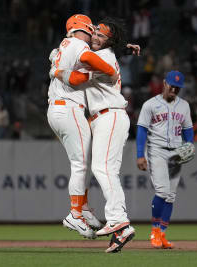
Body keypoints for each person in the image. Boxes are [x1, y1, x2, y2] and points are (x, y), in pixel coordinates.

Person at [52, 18, 139, 253]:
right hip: (105, 117)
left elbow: (74, 76)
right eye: (96, 32)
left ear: (110, 41)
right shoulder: (105, 53)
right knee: (104, 169)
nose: (96, 37)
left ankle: (118, 219)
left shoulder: (102, 58)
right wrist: (124, 46)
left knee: (103, 169)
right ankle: (121, 229)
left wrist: (56, 69)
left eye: (102, 35)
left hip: (109, 115)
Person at [47, 14, 119, 239]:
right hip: (68, 108)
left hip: (59, 108)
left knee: (85, 161)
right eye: (91, 29)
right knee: (80, 163)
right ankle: (75, 213)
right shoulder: (77, 44)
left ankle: (83, 207)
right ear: (84, 27)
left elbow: (75, 72)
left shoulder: (64, 46)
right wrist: (108, 69)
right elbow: (88, 60)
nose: (93, 33)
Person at [136, 70, 194, 249]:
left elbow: (188, 130)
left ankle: (162, 234)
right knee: (162, 192)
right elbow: (141, 130)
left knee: (171, 196)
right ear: (164, 83)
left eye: (178, 87)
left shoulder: (184, 105)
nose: (174, 90)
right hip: (157, 150)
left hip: (176, 152)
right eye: (172, 85)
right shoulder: (150, 105)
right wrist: (140, 155)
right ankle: (154, 231)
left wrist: (189, 146)